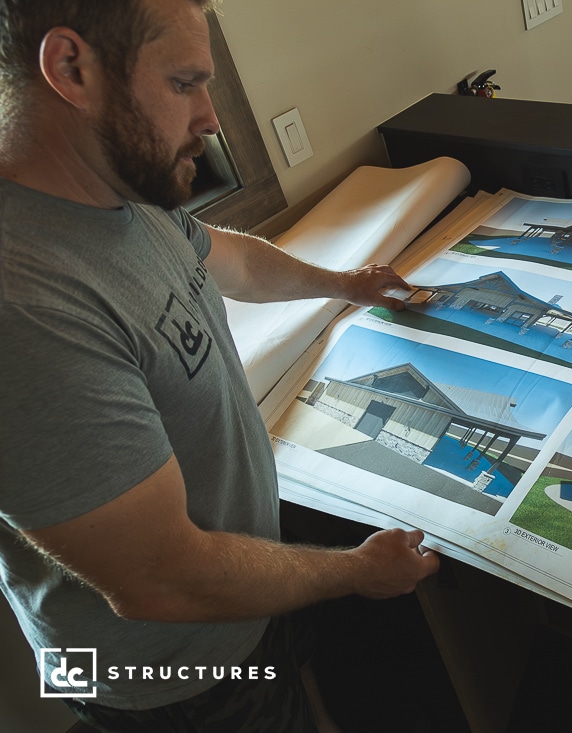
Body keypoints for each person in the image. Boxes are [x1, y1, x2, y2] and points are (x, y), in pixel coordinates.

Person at [0, 0, 441, 730]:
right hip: (164, 675)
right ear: (71, 69)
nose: (210, 116)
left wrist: (345, 284)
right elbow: (160, 581)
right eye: (182, 84)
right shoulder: (25, 306)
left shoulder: (116, 182)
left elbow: (225, 257)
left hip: (239, 599)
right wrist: (358, 572)